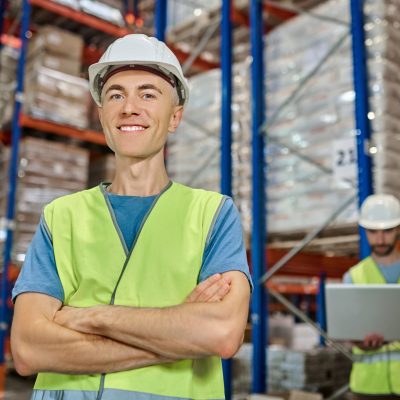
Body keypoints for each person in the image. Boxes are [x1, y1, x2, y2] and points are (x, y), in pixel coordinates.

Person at [10, 34, 252, 400]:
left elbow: (221, 334)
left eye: (148, 94)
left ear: (175, 117)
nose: (129, 107)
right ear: (102, 114)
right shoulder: (61, 217)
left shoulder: (213, 214)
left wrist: (92, 316)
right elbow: (28, 349)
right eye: (116, 95)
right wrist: (178, 334)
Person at [343, 193, 400, 399]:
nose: (381, 239)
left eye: (387, 231)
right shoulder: (354, 276)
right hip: (367, 387)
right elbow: (346, 331)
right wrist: (357, 342)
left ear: (398, 229)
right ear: (365, 232)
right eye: (374, 232)